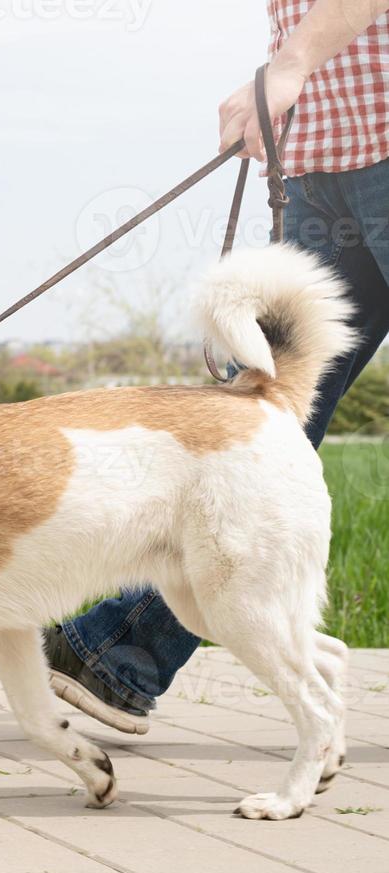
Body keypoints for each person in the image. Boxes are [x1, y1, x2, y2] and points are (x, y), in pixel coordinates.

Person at [46, 0, 389, 734]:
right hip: (320, 152)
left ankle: (116, 648)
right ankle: (118, 653)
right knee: (255, 418)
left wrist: (287, 66)